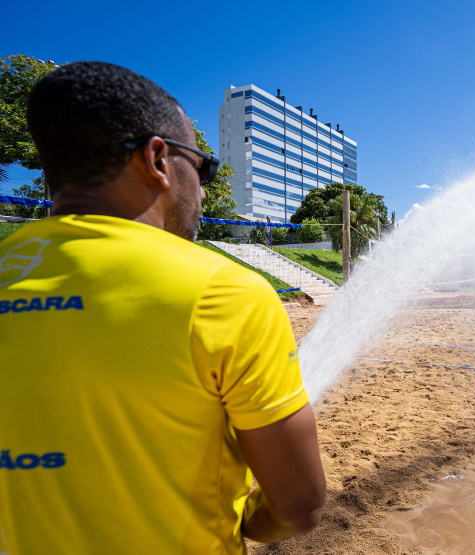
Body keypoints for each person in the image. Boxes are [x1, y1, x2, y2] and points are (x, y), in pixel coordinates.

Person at [0, 62, 326, 553]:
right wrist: (245, 524)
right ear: (157, 158)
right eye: (202, 166)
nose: (202, 189)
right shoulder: (222, 292)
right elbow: (299, 507)